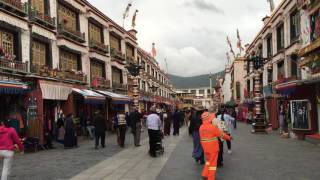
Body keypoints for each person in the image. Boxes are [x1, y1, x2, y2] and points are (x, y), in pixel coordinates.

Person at [199, 112, 230, 180]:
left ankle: (205, 174)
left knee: (208, 161)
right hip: (213, 148)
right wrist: (229, 137)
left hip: (205, 148)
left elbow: (201, 138)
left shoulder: (201, 127)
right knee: (213, 164)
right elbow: (221, 135)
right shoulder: (212, 127)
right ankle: (211, 177)